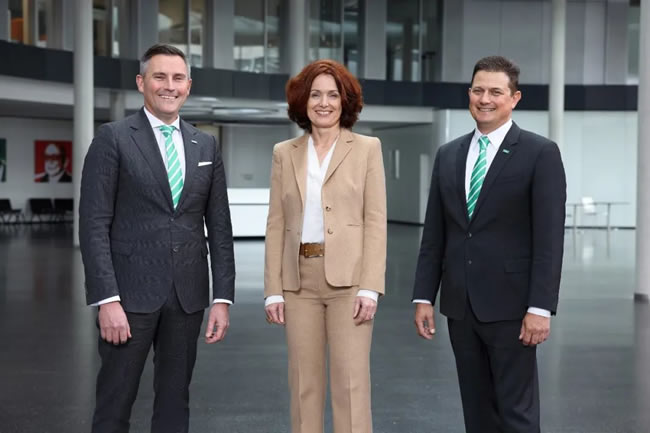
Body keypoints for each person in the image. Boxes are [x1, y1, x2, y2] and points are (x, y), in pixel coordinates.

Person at [79, 43, 235, 433]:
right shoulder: (113, 138)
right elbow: (94, 224)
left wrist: (222, 298)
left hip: (187, 297)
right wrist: (107, 300)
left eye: (178, 78)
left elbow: (219, 227)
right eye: (159, 76)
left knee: (174, 402)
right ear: (141, 82)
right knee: (115, 403)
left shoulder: (205, 144)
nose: (170, 85)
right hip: (128, 299)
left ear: (188, 86)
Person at [412, 56, 566, 433]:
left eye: (496, 92)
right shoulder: (448, 155)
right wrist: (423, 296)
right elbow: (435, 234)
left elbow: (549, 239)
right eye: (478, 90)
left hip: (513, 308)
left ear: (514, 98)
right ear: (469, 94)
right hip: (460, 307)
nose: (485, 99)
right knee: (477, 411)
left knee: (517, 413)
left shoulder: (540, 153)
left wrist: (540, 307)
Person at [264, 59, 387, 433]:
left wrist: (370, 287)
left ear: (344, 101)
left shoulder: (367, 148)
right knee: (304, 384)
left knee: (350, 384)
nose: (324, 103)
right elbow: (276, 223)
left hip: (350, 282)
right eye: (315, 95)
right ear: (302, 101)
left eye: (333, 95)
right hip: (298, 282)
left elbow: (375, 220)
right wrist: (273, 290)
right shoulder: (284, 152)